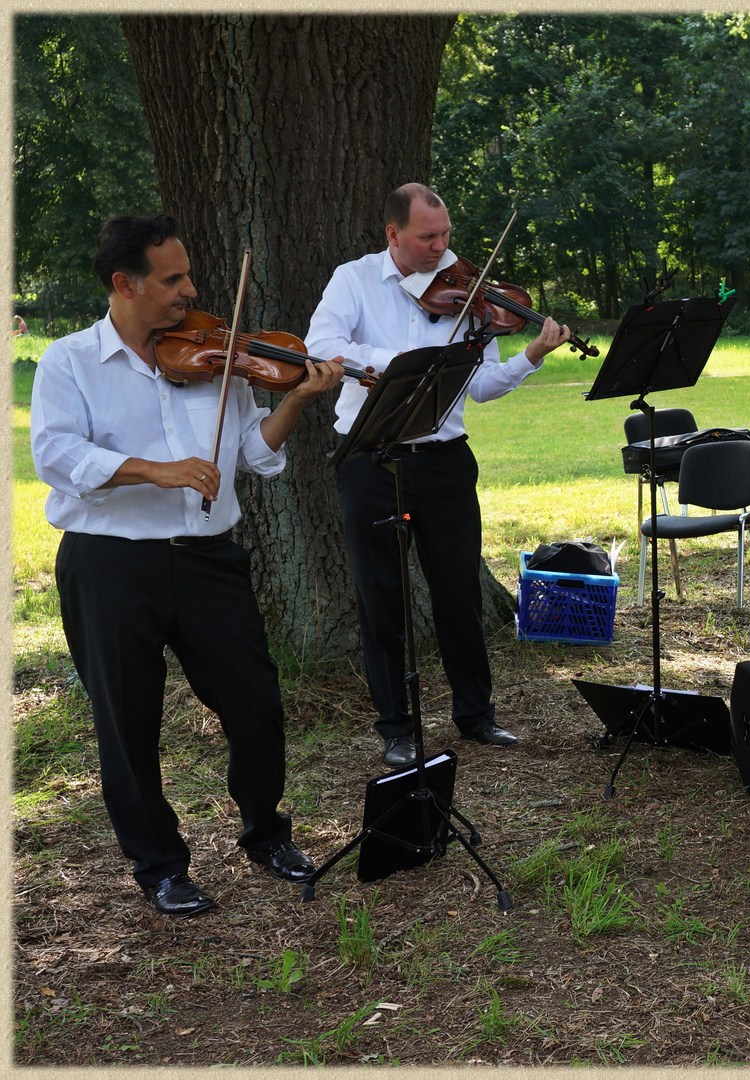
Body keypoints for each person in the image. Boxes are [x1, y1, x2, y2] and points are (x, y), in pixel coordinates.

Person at [30, 214, 345, 916]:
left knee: (256, 704)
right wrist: (155, 471)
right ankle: (160, 866)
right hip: (110, 565)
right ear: (125, 283)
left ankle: (265, 834)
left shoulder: (212, 356)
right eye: (172, 279)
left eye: (189, 276)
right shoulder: (69, 361)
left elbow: (255, 454)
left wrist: (293, 397)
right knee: (128, 720)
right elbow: (56, 456)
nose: (189, 291)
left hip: (207, 559)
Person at [306, 183, 571, 768]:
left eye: (446, 235)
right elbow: (320, 344)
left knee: (458, 591)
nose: (442, 249)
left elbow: (479, 385)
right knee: (381, 597)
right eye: (428, 238)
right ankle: (396, 727)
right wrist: (402, 365)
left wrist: (531, 356)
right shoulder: (353, 280)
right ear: (392, 234)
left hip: (447, 461)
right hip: (371, 457)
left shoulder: (471, 294)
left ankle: (476, 715)